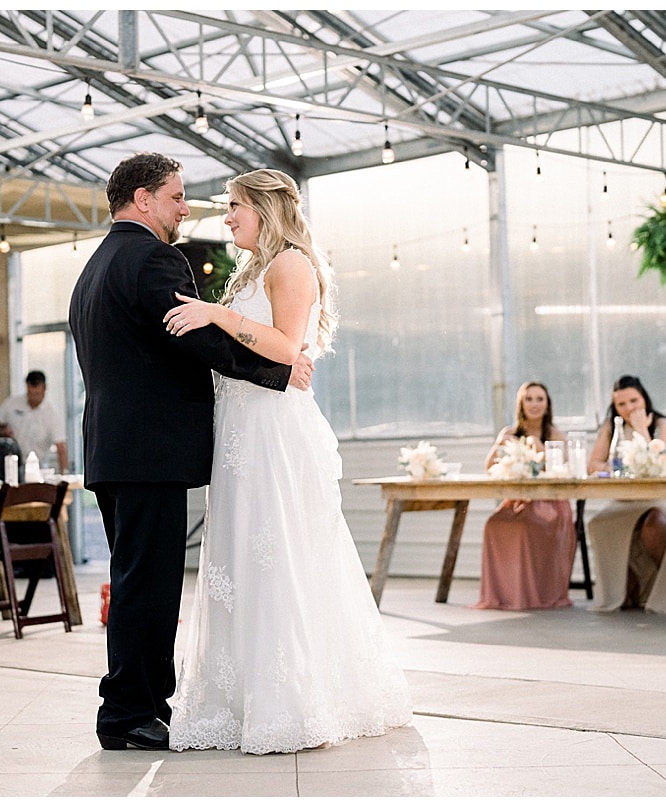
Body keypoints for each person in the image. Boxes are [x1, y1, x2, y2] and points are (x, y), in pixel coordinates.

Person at [68, 153, 313, 752]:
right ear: (143, 199)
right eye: (176, 196)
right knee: (146, 586)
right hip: (149, 452)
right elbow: (192, 338)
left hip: (113, 447)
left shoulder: (95, 267)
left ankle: (140, 704)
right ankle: (128, 711)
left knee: (135, 581)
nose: (187, 209)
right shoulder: (152, 257)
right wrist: (276, 373)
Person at [163, 168, 412, 754]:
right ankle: (245, 694)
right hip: (243, 427)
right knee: (244, 555)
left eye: (235, 207)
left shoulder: (291, 264)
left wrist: (217, 315)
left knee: (276, 551)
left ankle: (292, 698)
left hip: (273, 431)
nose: (226, 217)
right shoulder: (256, 267)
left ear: (265, 209)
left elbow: (285, 345)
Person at [585, 375, 666, 613]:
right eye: (622, 404)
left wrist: (642, 429)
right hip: (629, 500)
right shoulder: (613, 427)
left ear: (644, 399)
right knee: (600, 523)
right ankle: (626, 589)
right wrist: (609, 468)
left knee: (655, 523)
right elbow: (594, 464)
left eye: (633, 401)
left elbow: (664, 462)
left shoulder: (663, 425)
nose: (629, 408)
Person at [474, 381, 577, 610]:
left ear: (547, 404)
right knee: (494, 524)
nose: (534, 404)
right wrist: (500, 443)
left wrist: (538, 447)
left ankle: (532, 594)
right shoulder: (511, 432)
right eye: (529, 399)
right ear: (521, 403)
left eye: (540, 399)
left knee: (522, 528)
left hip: (551, 502)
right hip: (518, 500)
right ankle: (507, 594)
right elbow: (489, 466)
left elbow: (563, 470)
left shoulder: (555, 435)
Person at [0, 369, 69, 473]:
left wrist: (64, 474)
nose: (34, 397)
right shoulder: (11, 404)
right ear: (27, 387)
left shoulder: (51, 414)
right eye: (31, 393)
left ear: (44, 388)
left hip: (39, 466)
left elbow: (61, 447)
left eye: (37, 394)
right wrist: (3, 432)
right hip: (11, 463)